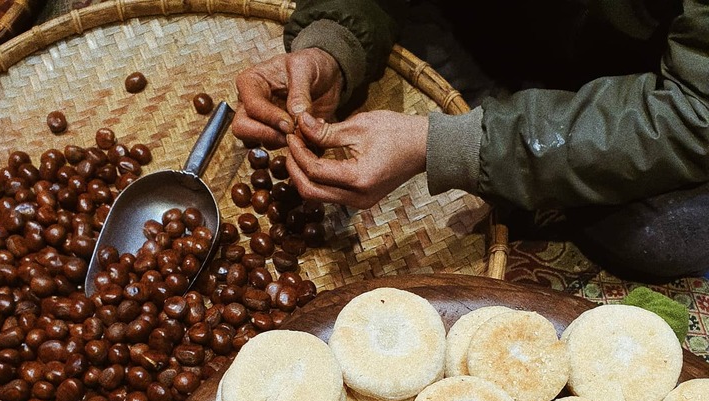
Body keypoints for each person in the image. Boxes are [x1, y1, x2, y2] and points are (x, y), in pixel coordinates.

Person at [232, 0, 709, 280]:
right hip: (487, 25)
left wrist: (455, 145)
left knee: (652, 236)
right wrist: (335, 44)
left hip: (647, 73)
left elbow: (695, 108)